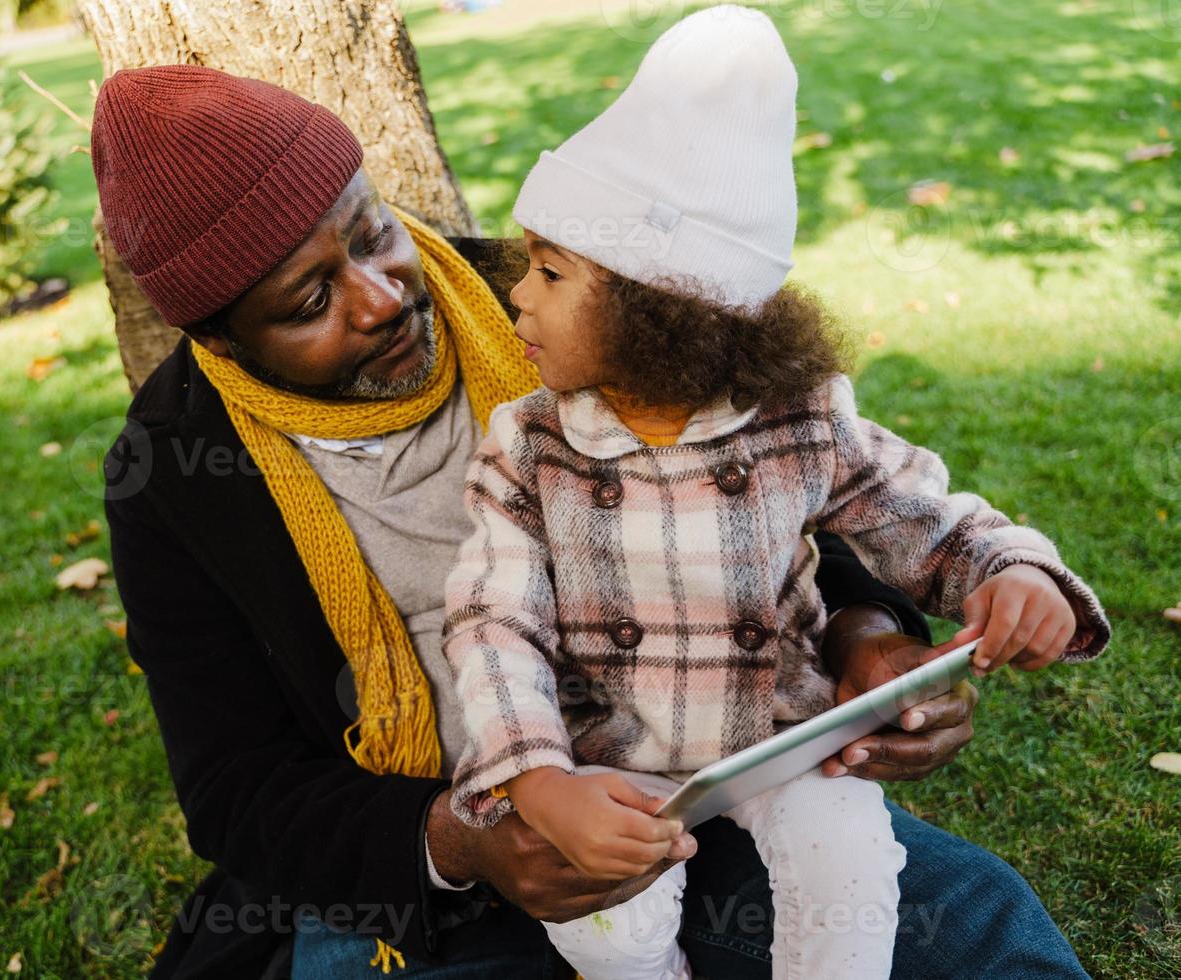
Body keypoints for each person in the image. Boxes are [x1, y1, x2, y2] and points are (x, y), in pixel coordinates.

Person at [88, 62, 1100, 979]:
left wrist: (868, 641)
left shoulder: (570, 291)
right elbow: (235, 784)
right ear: (220, 338)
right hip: (426, 881)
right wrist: (464, 837)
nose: (382, 295)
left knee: (976, 931)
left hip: (693, 789)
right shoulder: (175, 471)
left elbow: (778, 480)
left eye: (371, 231)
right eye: (311, 298)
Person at [437, 8, 1110, 980]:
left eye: (550, 270)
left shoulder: (799, 419)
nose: (517, 296)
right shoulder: (531, 443)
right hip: (609, 753)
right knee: (608, 930)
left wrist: (1013, 570)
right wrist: (538, 779)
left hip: (782, 735)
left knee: (851, 875)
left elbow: (919, 510)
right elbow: (492, 619)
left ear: (652, 304)